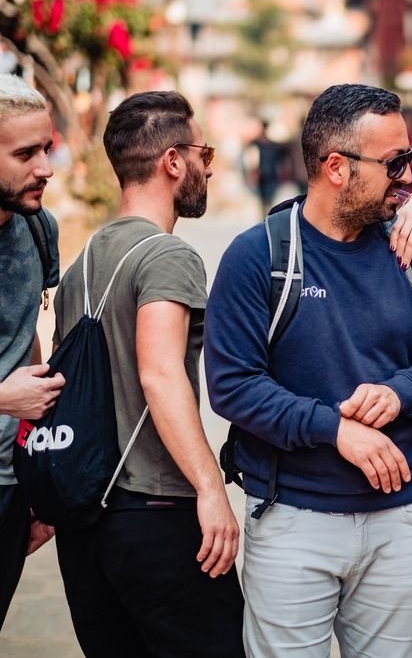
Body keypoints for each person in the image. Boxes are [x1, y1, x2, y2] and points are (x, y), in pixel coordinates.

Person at [203, 83, 412, 658]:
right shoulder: (259, 257)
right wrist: (336, 430)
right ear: (336, 167)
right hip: (291, 519)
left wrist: (402, 393)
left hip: (400, 520)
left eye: (410, 158)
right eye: (395, 161)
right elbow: (232, 385)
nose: (408, 175)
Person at [51, 90, 244, 657]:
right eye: (203, 154)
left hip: (86, 517)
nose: (209, 167)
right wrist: (210, 490)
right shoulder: (166, 256)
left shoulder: (82, 262)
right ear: (173, 161)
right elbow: (160, 374)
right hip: (156, 512)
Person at [0, 73, 62, 628]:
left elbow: (31, 342)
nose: (45, 167)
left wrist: (37, 476)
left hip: (10, 486)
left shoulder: (38, 226)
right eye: (26, 153)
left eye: (47, 147)